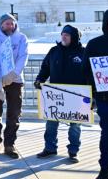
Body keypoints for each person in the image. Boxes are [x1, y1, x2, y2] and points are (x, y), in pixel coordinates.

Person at [82, 9, 108, 179]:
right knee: (107, 137)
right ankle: (105, 169)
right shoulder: (95, 45)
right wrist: (90, 96)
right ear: (107, 23)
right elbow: (86, 73)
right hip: (107, 100)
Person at [34, 25, 86, 163]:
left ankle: (73, 151)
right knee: (51, 123)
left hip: (77, 96)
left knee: (75, 126)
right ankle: (50, 148)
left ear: (74, 37)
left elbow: (90, 74)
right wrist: (40, 79)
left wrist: (92, 96)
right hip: (55, 95)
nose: (63, 36)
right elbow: (45, 68)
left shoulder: (83, 52)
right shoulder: (54, 51)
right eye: (63, 34)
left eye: (67, 35)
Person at [0, 13, 29, 159]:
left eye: (12, 23)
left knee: (14, 113)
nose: (9, 26)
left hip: (15, 80)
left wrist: (13, 74)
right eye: (6, 23)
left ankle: (9, 144)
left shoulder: (21, 38)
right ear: (1, 25)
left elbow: (23, 57)